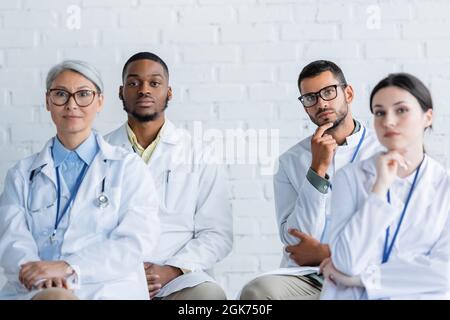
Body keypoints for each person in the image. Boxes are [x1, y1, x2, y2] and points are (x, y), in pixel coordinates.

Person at [0, 60, 160, 300]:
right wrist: (40, 273)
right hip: (36, 291)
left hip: (105, 289)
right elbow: (12, 239)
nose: (71, 104)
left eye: (83, 94)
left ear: (100, 101)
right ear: (47, 101)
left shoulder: (128, 168)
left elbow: (136, 241)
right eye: (60, 94)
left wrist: (68, 267)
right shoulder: (22, 174)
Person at [240, 60, 381, 300]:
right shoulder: (291, 160)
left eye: (328, 92)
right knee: (257, 291)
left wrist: (328, 253)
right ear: (304, 107)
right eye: (310, 98)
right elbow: (295, 240)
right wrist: (317, 170)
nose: (321, 103)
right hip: (308, 277)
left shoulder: (381, 151)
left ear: (348, 93)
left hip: (364, 274)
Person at [105, 52, 232, 300]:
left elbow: (217, 233)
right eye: (134, 83)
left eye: (154, 83)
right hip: (114, 276)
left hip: (179, 278)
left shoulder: (199, 153)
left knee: (209, 296)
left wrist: (171, 270)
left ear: (169, 92)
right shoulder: (100, 152)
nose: (144, 90)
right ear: (121, 92)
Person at [320, 73, 450, 299]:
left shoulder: (444, 186)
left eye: (401, 110)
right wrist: (379, 189)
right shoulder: (350, 177)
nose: (388, 121)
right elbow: (346, 261)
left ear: (427, 117)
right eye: (379, 112)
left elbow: (443, 274)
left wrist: (361, 279)